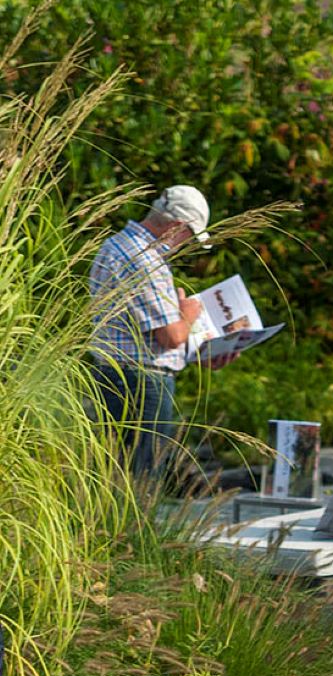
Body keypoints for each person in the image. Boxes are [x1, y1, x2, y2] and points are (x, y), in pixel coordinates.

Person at [88, 185, 227, 477]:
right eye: (189, 236)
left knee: (119, 474)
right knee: (140, 479)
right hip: (140, 383)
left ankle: (117, 523)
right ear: (177, 226)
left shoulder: (119, 246)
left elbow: (148, 334)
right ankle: (129, 525)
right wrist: (188, 314)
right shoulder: (143, 259)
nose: (186, 244)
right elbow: (171, 336)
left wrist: (203, 351)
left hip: (122, 375)